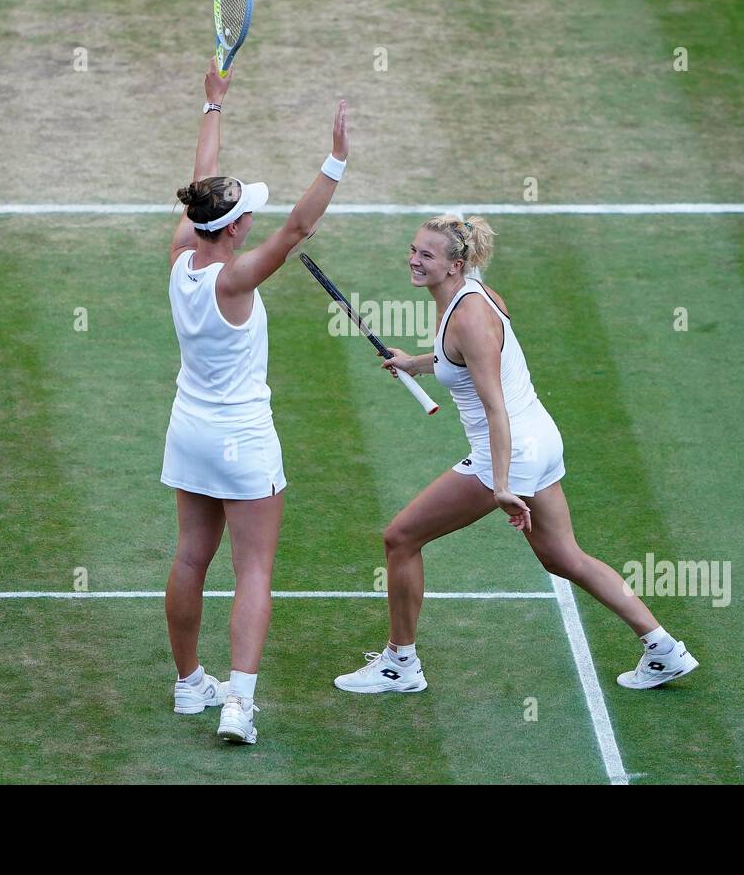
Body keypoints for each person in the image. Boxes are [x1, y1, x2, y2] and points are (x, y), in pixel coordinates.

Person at [334, 215, 697, 694]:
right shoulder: (471, 299)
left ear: (454, 265)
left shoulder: (467, 319)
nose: (414, 260)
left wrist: (502, 486)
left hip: (510, 449)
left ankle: (399, 665)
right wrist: (415, 364)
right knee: (563, 557)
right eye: (413, 249)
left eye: (427, 255)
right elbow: (455, 359)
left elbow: (495, 409)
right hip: (540, 439)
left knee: (400, 538)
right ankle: (664, 649)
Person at [164, 58, 349, 743]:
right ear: (236, 228)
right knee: (254, 570)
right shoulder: (237, 279)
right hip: (242, 438)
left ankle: (189, 686)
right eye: (246, 210)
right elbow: (297, 229)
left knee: (189, 557)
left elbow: (197, 191)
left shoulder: (183, 251)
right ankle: (238, 704)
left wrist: (214, 106)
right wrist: (334, 162)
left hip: (187, 430)